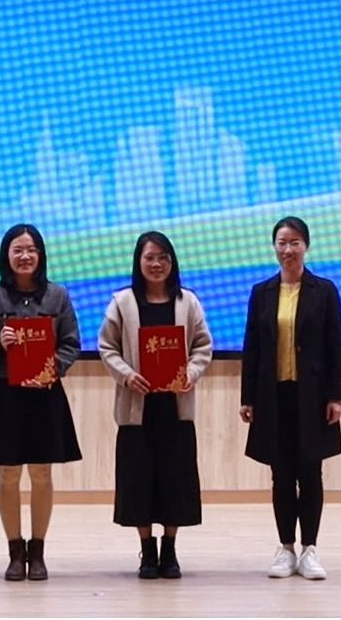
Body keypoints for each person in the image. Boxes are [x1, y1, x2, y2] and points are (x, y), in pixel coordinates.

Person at [0, 223, 82, 581]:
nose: (25, 256)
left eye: (31, 250)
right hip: (6, 395)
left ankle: (38, 551)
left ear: (41, 255)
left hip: (45, 394)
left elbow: (71, 344)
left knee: (42, 473)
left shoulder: (58, 296)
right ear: (7, 256)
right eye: (18, 250)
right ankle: (15, 552)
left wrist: (51, 368)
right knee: (9, 473)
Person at [96, 230, 212, 580]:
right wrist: (127, 375)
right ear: (139, 261)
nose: (157, 263)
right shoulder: (123, 302)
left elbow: (203, 346)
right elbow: (106, 346)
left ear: (172, 262)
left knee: (175, 480)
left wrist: (191, 372)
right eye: (150, 257)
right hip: (137, 409)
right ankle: (147, 550)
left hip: (175, 409)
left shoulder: (187, 302)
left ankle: (170, 549)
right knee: (138, 481)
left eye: (163, 257)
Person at [238, 215, 341, 581]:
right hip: (273, 396)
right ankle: (285, 548)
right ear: (274, 247)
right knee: (281, 475)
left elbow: (336, 346)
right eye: (282, 242)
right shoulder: (262, 292)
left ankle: (310, 549)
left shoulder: (324, 291)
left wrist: (336, 396)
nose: (288, 249)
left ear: (306, 246)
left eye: (295, 242)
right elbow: (252, 347)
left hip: (312, 397)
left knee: (311, 473)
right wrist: (247, 397)